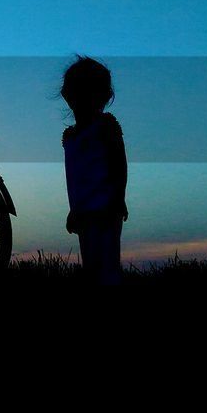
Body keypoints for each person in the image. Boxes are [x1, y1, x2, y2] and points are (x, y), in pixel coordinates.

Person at [60, 56, 128, 285]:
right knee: (91, 265)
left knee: (107, 266)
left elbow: (119, 163)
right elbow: (74, 177)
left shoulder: (105, 127)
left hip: (106, 208)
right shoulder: (71, 136)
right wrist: (74, 209)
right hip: (84, 211)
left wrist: (118, 198)